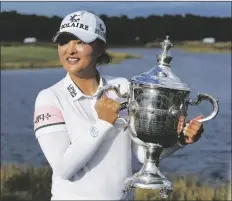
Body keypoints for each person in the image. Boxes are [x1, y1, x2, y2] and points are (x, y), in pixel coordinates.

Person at [33, 10, 204, 200]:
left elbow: (142, 153)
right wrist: (102, 124)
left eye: (80, 41)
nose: (70, 50)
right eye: (64, 41)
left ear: (100, 48)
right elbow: (64, 169)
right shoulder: (49, 97)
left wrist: (179, 141)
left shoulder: (122, 88)